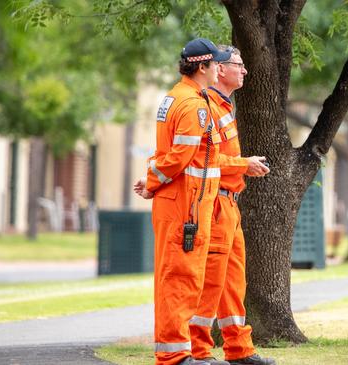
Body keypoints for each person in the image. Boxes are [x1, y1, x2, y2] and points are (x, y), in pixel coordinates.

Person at [134, 38, 231, 365]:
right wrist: (151, 183)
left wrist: (152, 182)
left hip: (182, 203)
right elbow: (179, 156)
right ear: (202, 66)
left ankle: (180, 351)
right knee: (180, 279)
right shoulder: (194, 105)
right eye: (217, 63)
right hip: (185, 206)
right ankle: (175, 354)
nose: (221, 68)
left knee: (178, 277)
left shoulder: (179, 97)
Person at [189, 46, 274, 365]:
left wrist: (241, 167)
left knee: (233, 282)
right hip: (213, 204)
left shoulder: (224, 106)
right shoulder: (206, 107)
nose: (245, 71)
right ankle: (197, 351)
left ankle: (239, 350)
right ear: (220, 69)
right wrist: (242, 164)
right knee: (211, 281)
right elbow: (202, 157)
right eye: (239, 65)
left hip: (230, 206)